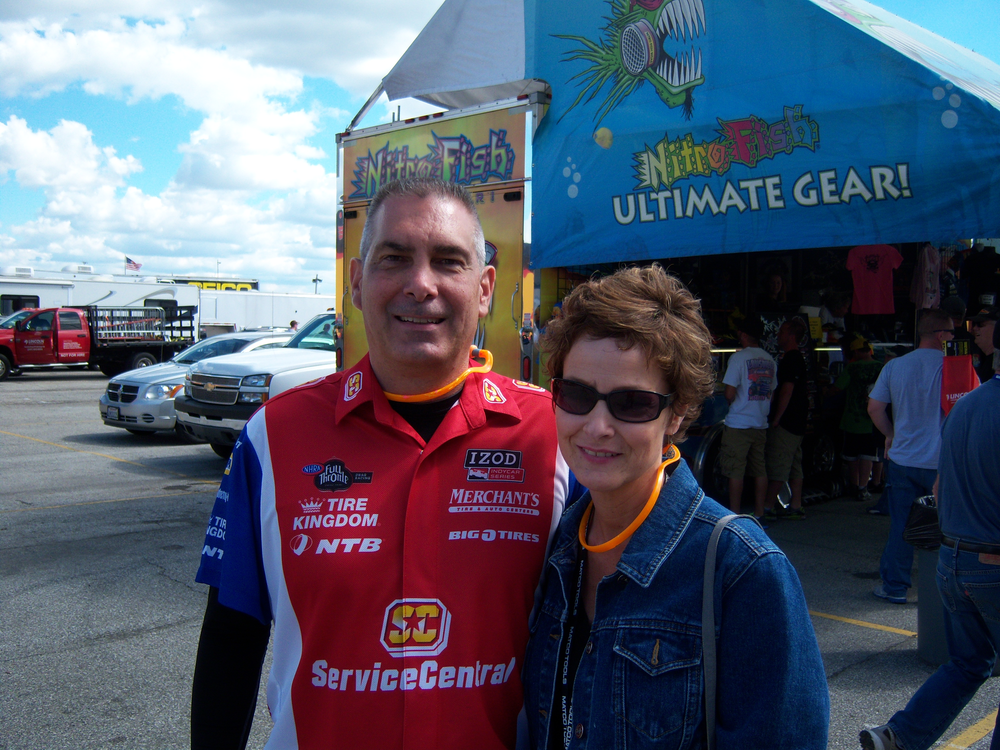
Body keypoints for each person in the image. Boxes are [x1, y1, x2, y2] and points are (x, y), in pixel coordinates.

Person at [190, 178, 571, 749]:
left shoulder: (556, 434)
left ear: (485, 289)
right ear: (356, 282)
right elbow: (232, 634)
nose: (421, 284)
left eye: (449, 262)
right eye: (394, 259)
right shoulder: (272, 437)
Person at [523, 265, 829, 749]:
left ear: (677, 413)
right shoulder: (561, 547)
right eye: (577, 394)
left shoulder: (742, 572)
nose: (597, 426)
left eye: (632, 403)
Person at [860, 322, 1000, 750]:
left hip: (953, 559)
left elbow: (942, 488)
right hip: (991, 560)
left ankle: (900, 736)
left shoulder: (967, 405)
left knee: (969, 662)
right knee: (970, 662)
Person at [867, 309, 954, 604]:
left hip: (903, 459)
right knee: (947, 529)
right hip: (941, 462)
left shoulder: (895, 365)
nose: (953, 337)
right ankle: (943, 591)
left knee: (901, 527)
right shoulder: (955, 367)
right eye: (951, 332)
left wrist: (890, 434)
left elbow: (874, 408)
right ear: (941, 335)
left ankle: (894, 587)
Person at [719, 314, 776, 519]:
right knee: (759, 469)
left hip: (738, 424)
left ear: (742, 334)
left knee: (736, 470)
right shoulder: (770, 360)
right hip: (760, 423)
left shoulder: (738, 358)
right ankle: (759, 512)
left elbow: (729, 393)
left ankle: (735, 515)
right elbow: (771, 392)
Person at [763, 317, 810, 520]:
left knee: (779, 464)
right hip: (798, 420)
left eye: (781, 332)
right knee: (795, 463)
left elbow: (786, 390)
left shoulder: (791, 359)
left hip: (787, 421)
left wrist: (777, 417)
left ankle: (767, 507)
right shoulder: (798, 358)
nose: (777, 335)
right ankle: (796, 505)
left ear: (791, 335)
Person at [831, 335, 884, 502]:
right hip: (873, 420)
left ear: (855, 352)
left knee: (851, 456)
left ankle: (853, 486)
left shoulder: (852, 368)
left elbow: (837, 388)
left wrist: (825, 391)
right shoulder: (881, 368)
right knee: (868, 456)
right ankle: (863, 487)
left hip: (852, 419)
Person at [969, 305, 997, 383]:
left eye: (980, 325)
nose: (975, 328)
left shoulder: (997, 363)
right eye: (974, 324)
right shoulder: (982, 357)